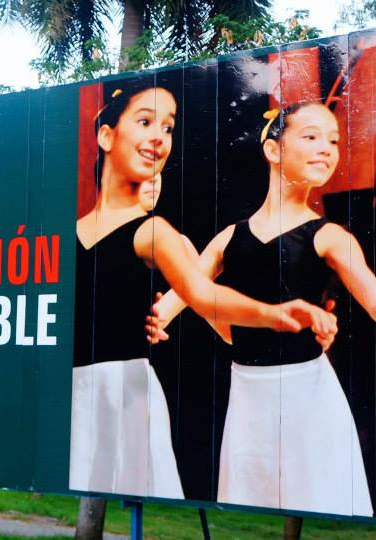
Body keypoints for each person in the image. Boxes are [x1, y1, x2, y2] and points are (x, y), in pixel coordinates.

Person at [144, 101, 376, 515]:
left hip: (308, 393)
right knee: (246, 501)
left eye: (333, 141)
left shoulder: (330, 237)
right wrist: (157, 315)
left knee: (320, 496)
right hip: (247, 395)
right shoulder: (227, 239)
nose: (326, 149)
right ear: (273, 150)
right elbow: (178, 299)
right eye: (310, 137)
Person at [71, 81, 338, 499]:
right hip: (75, 391)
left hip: (125, 390)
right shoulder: (69, 237)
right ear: (106, 135)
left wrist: (273, 314)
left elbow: (202, 291)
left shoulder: (154, 232)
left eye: (169, 128)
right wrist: (161, 316)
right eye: (145, 122)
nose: (160, 137)